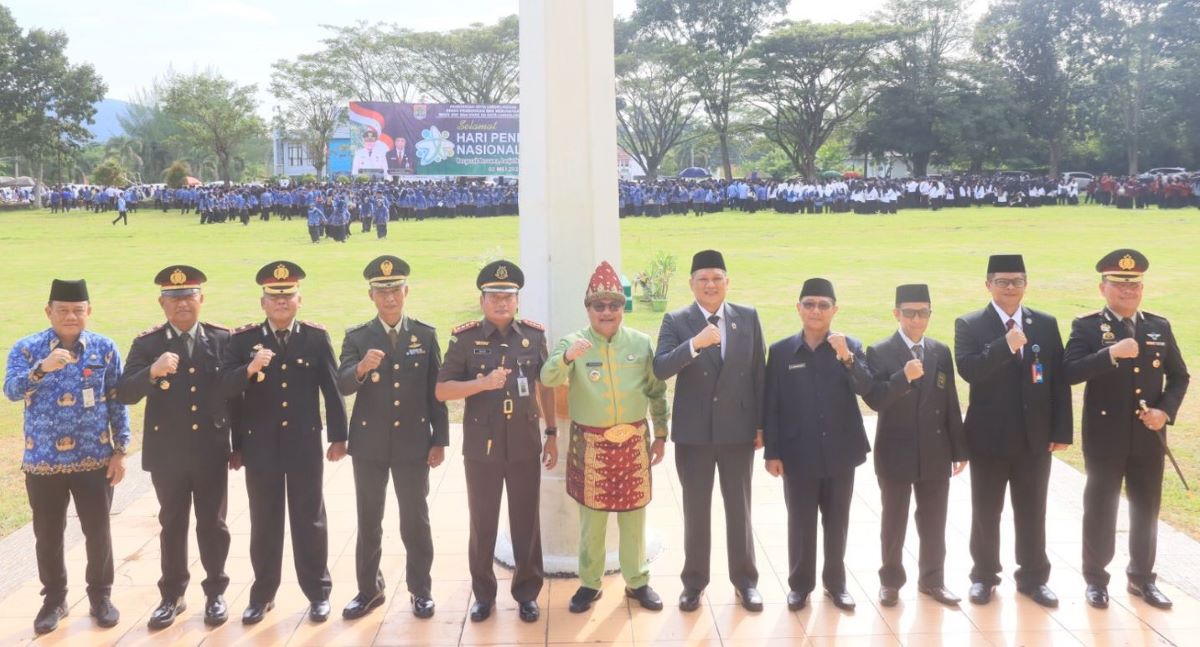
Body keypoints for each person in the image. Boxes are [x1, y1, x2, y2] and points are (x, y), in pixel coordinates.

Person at [220, 261, 348, 625]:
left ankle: (318, 593)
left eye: (288, 296)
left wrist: (339, 436)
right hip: (260, 448)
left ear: (299, 300)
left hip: (304, 444)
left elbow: (333, 389)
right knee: (265, 520)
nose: (281, 303)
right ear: (263, 303)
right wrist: (248, 368)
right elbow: (228, 391)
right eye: (274, 298)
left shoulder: (314, 337)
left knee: (310, 519)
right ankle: (262, 595)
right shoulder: (243, 340)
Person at [540, 261, 669, 614]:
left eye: (614, 305)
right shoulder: (574, 342)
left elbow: (657, 391)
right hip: (592, 446)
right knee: (591, 521)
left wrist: (660, 434)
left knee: (634, 517)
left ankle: (638, 581)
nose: (607, 312)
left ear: (622, 308)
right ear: (588, 309)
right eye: (599, 306)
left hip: (633, 442)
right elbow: (548, 378)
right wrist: (567, 357)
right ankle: (590, 584)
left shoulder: (641, 344)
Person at [1064, 249, 1189, 610]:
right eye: (1118, 285)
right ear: (1103, 288)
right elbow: (1069, 372)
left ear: (1142, 288)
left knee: (1146, 508)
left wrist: (1164, 412)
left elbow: (1179, 375)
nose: (1127, 292)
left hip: (1148, 434)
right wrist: (1111, 353)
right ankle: (1096, 580)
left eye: (1133, 286)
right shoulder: (1087, 326)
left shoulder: (1158, 326)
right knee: (1101, 507)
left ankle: (1142, 578)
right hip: (1105, 435)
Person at [3, 279, 130, 635]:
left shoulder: (104, 348)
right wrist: (42, 368)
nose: (71, 316)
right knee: (48, 534)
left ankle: (101, 597)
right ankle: (54, 599)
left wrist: (120, 450)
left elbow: (116, 399)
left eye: (78, 310)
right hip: (43, 461)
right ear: (49, 312)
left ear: (89, 311)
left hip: (94, 459)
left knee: (98, 531)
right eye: (63, 310)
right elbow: (11, 390)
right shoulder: (28, 349)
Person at [116, 265, 237, 629]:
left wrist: (239, 444)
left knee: (213, 524)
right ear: (162, 303)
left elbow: (238, 395)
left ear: (201, 299)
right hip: (168, 452)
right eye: (173, 299)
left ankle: (215, 592)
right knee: (171, 523)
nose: (182, 304)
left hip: (210, 449)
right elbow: (124, 392)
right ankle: (172, 596)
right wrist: (151, 372)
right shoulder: (148, 344)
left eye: (188, 297)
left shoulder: (222, 339)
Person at [436, 260, 557, 623]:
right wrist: (481, 384)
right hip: (482, 447)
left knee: (526, 521)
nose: (501, 303)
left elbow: (545, 385)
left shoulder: (533, 337)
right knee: (483, 522)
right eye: (494, 296)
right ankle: (484, 594)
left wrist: (551, 434)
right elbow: (442, 390)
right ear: (482, 300)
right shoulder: (465, 338)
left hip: (523, 442)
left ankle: (526, 593)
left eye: (508, 296)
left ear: (517, 300)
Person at [954, 254, 1072, 608]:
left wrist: (1061, 430)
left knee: (1033, 510)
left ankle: (1034, 578)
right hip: (989, 438)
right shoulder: (970, 324)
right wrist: (1005, 346)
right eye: (1002, 281)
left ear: (1026, 284)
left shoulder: (1046, 323)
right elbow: (969, 370)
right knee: (986, 511)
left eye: (1017, 281)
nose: (1010, 288)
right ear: (988, 284)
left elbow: (1058, 380)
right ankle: (984, 576)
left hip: (1034, 439)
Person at [652, 250, 765, 612]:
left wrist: (762, 425)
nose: (711, 285)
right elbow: (660, 368)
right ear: (692, 284)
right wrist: (694, 345)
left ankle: (746, 582)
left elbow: (759, 374)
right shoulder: (677, 320)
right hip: (694, 435)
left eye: (717, 278)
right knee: (696, 510)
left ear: (727, 282)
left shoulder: (747, 317)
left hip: (738, 432)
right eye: (703, 279)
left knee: (740, 509)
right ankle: (694, 583)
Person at [338, 256, 449, 621]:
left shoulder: (425, 334)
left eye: (395, 290)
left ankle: (421, 590)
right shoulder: (357, 337)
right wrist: (361, 368)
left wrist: (439, 440)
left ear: (406, 291)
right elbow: (342, 383)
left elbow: (438, 391)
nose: (389, 298)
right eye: (382, 291)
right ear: (371, 295)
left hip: (413, 444)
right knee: (369, 519)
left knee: (415, 520)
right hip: (369, 446)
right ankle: (369, 589)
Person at [763, 278, 872, 612]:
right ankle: (800, 586)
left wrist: (847, 358)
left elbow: (867, 388)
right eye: (809, 304)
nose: (816, 311)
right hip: (798, 454)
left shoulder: (849, 345)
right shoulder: (781, 351)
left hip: (841, 452)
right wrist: (773, 452)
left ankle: (836, 584)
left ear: (835, 310)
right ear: (798, 308)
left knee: (837, 521)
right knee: (800, 521)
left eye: (824, 305)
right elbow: (772, 404)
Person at [863, 284, 967, 608]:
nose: (916, 319)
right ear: (896, 314)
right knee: (894, 520)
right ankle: (890, 583)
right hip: (896, 450)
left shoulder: (939, 351)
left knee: (934, 520)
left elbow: (950, 401)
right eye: (909, 312)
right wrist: (903, 377)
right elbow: (876, 399)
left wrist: (959, 449)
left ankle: (933, 580)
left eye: (923, 312)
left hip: (935, 450)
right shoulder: (879, 351)